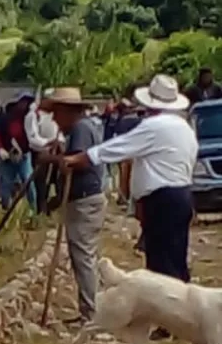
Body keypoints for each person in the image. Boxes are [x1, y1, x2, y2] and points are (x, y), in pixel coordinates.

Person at [65, 74, 197, 285]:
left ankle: (167, 311)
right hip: (181, 194)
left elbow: (119, 147)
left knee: (161, 264)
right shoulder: (184, 127)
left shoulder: (154, 126)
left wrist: (84, 157)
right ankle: (179, 307)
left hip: (162, 198)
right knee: (175, 256)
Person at [42, 87, 106, 324]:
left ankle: (91, 313)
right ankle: (91, 308)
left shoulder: (80, 128)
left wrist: (53, 159)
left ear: (68, 112)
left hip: (84, 200)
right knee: (84, 255)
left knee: (83, 256)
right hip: (82, 199)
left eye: (56, 114)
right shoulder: (82, 129)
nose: (55, 120)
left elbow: (77, 163)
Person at [0, 93, 36, 211]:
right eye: (22, 101)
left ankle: (33, 209)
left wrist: (24, 148)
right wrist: (0, 149)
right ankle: (5, 210)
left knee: (27, 180)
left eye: (27, 102)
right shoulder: (5, 119)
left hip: (24, 155)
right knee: (6, 183)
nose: (24, 104)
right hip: (8, 155)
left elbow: (33, 136)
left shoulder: (30, 117)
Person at [25, 95, 60, 214]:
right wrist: (47, 143)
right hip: (40, 153)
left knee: (55, 181)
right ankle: (41, 209)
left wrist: (58, 142)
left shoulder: (54, 115)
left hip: (56, 151)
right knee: (41, 183)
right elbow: (32, 137)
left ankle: (51, 208)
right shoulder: (33, 115)